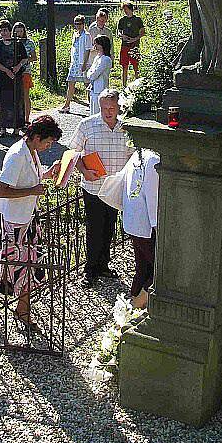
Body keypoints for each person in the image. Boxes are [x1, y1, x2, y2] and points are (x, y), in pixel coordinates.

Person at [0, 115, 62, 329]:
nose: (49, 147)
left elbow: (32, 179)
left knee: (30, 264)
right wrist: (32, 191)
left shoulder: (31, 151)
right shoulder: (18, 155)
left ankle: (23, 309)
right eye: (48, 142)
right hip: (15, 222)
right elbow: (0, 191)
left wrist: (47, 174)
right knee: (9, 266)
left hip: (28, 218)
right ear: (37, 137)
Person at [69, 89, 134, 287]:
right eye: (104, 108)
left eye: (112, 108)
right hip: (93, 186)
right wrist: (84, 171)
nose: (108, 112)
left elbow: (132, 155)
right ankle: (90, 270)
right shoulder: (87, 125)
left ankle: (103, 265)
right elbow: (73, 153)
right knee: (94, 228)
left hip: (115, 188)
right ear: (99, 106)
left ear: (118, 107)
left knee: (109, 228)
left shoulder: (126, 127)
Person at [122, 149, 160, 309]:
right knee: (158, 270)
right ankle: (138, 305)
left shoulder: (140, 154)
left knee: (142, 266)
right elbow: (153, 197)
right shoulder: (153, 160)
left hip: (133, 221)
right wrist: (157, 226)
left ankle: (132, 303)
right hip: (145, 224)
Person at [0, 20, 27, 137]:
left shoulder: (18, 43)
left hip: (16, 77)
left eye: (5, 30)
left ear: (10, 31)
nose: (3, 33)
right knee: (3, 102)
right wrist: (7, 71)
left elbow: (24, 58)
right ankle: (3, 128)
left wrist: (18, 66)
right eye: (1, 31)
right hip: (2, 78)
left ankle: (16, 128)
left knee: (16, 101)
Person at [59, 15, 92, 114]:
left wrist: (85, 63)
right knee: (71, 83)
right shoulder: (75, 34)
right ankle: (67, 105)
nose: (78, 26)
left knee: (87, 84)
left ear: (83, 24)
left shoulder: (86, 35)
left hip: (82, 63)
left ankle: (92, 104)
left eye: (80, 24)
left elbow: (87, 50)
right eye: (76, 24)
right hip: (75, 63)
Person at [12, 21, 37, 127]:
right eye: (17, 31)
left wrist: (25, 60)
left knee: (25, 95)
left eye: (21, 31)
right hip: (13, 71)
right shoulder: (11, 42)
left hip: (25, 71)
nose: (19, 33)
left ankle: (26, 119)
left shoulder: (29, 42)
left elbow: (34, 57)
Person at [117, 2, 145, 86]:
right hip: (124, 46)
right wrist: (122, 36)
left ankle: (138, 84)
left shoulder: (137, 19)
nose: (124, 11)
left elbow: (143, 32)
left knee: (135, 66)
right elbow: (118, 31)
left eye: (125, 9)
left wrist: (134, 39)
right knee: (124, 66)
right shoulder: (122, 20)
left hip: (134, 46)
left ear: (130, 9)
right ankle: (124, 85)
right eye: (123, 9)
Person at [85, 36, 113, 116]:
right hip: (93, 89)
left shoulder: (106, 59)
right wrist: (90, 74)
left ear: (102, 45)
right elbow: (89, 72)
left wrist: (90, 74)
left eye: (96, 44)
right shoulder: (97, 57)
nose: (95, 46)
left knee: (99, 114)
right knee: (92, 114)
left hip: (101, 89)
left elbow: (94, 74)